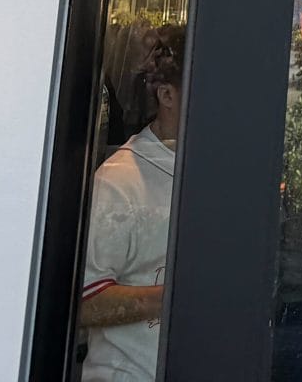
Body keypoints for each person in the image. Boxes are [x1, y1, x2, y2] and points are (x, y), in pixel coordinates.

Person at [78, 22, 183, 382]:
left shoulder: (215, 167)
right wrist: (178, 297)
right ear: (166, 95)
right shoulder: (118, 182)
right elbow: (83, 302)